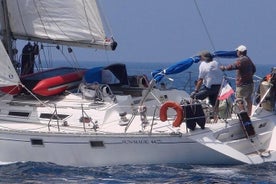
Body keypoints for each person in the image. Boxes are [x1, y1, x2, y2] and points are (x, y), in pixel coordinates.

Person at [220, 45, 256, 115]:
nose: (236, 52)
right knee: (248, 98)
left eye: (237, 51)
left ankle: (243, 114)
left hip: (242, 84)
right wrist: (248, 76)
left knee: (239, 99)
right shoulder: (248, 59)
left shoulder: (241, 60)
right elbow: (254, 69)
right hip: (250, 83)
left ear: (240, 52)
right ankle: (249, 114)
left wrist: (224, 68)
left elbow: (233, 66)